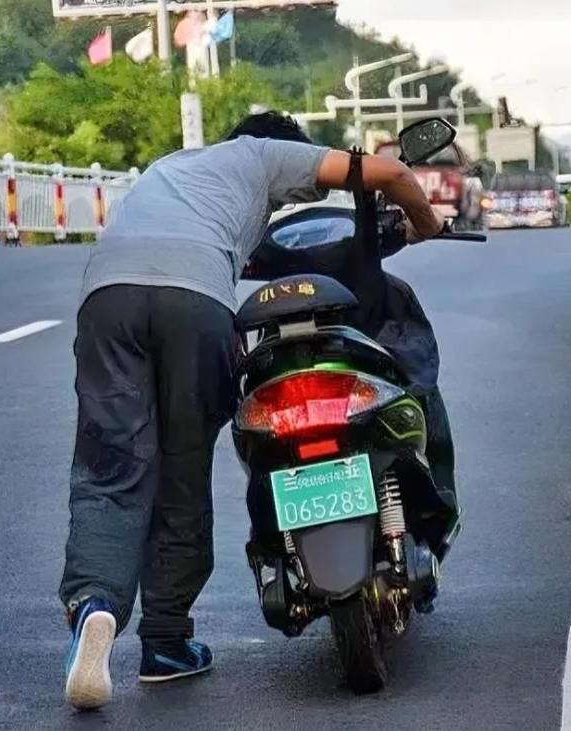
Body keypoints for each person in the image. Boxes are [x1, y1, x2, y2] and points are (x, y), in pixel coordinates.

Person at [59, 110, 445, 711]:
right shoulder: (262, 155)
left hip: (108, 299)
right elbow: (388, 172)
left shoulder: (171, 168)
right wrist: (426, 222)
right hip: (196, 302)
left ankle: (95, 606)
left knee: (112, 469)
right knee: (182, 470)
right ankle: (164, 640)